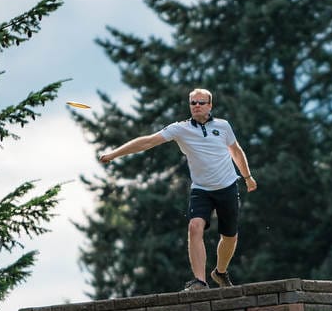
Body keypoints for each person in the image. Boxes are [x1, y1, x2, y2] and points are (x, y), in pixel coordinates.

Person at [99, 88, 257, 291]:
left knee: (229, 237)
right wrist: (113, 154)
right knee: (194, 227)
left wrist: (247, 177)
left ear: (210, 105)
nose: (197, 106)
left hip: (227, 186)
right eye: (193, 103)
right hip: (201, 189)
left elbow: (235, 151)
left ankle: (220, 272)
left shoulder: (223, 126)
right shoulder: (179, 129)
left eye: (201, 102)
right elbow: (147, 141)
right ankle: (200, 281)